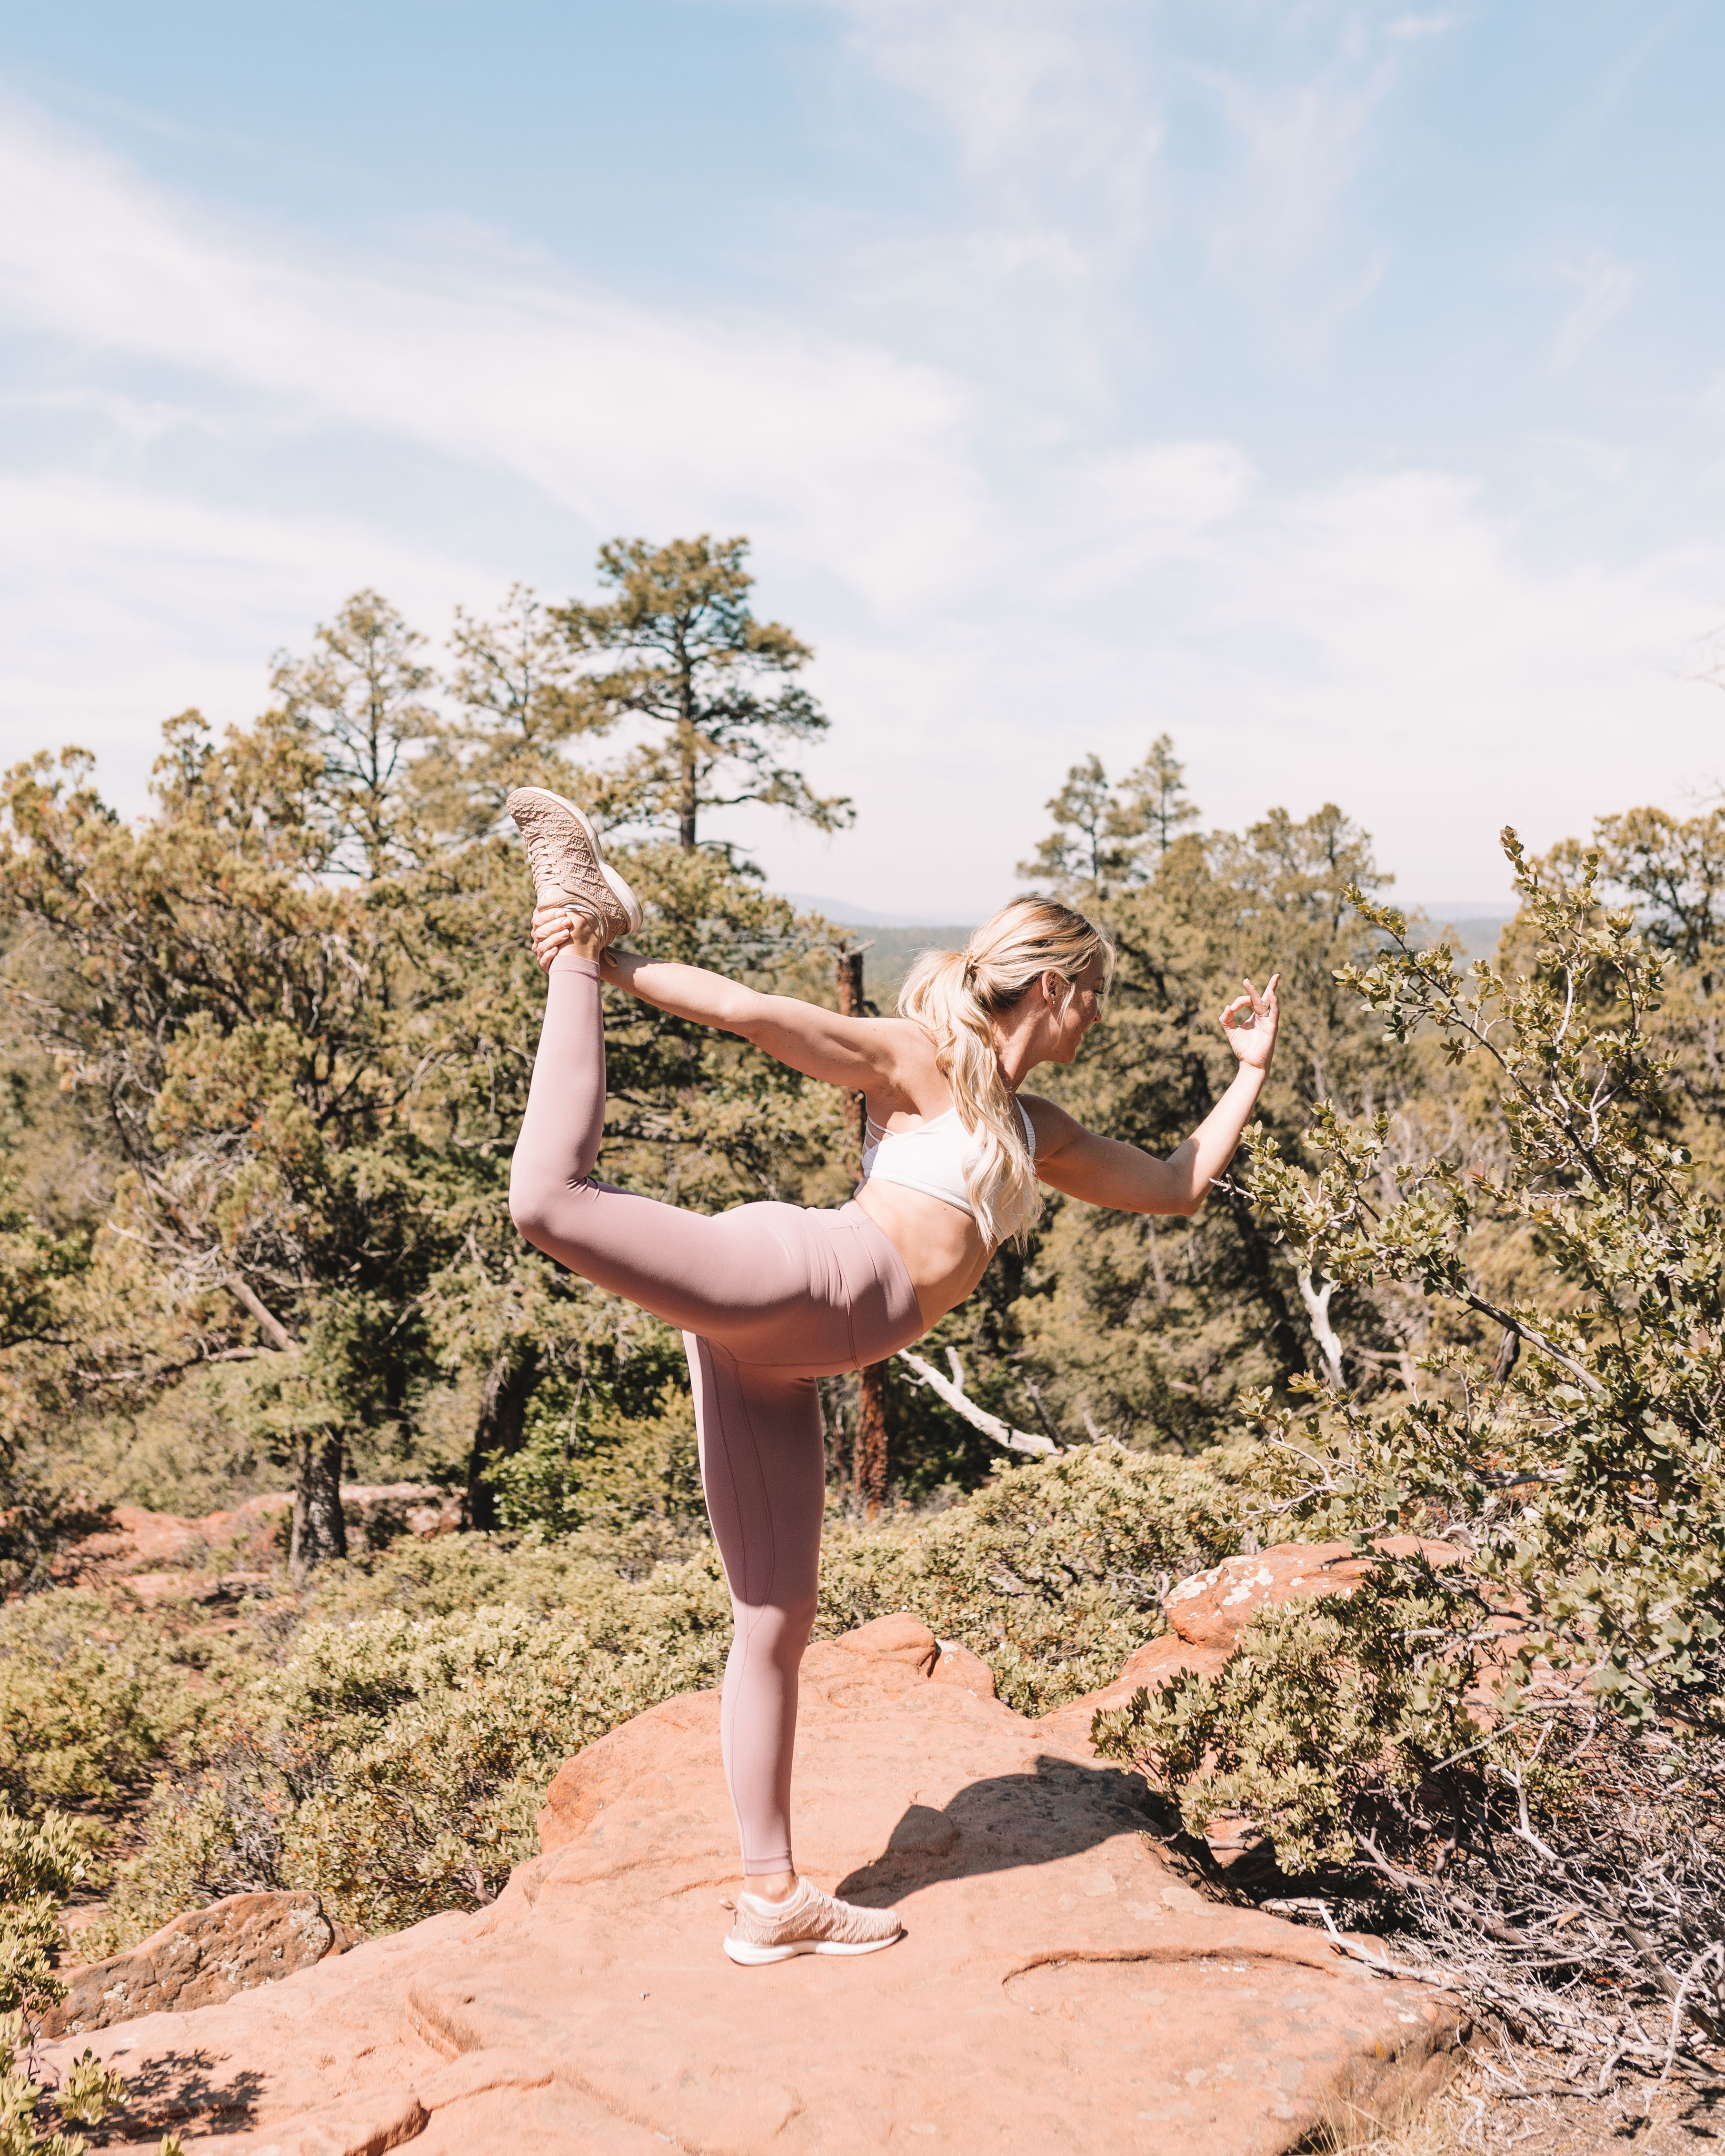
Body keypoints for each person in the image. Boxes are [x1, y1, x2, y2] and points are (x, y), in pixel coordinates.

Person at [504, 786, 1281, 1967]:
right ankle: (574, 922)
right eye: (1096, 997)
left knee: (774, 1617)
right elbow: (761, 1016)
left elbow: (1175, 1184)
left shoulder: (1039, 1126)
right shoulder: (925, 1061)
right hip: (809, 1277)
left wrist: (1250, 1069)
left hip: (791, 1357)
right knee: (549, 1202)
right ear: (1055, 988)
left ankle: (773, 1899)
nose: (1097, 1020)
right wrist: (609, 963)